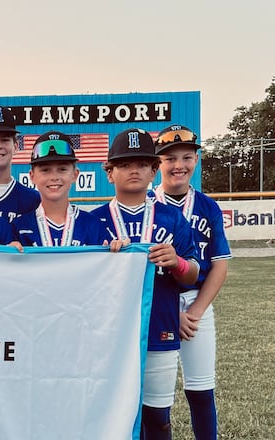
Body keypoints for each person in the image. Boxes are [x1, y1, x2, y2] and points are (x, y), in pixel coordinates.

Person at [92, 128, 199, 440]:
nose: (134, 170)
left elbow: (193, 271)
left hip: (160, 328)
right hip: (108, 334)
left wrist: (176, 261)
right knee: (114, 415)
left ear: (154, 170)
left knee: (158, 418)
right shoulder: (92, 220)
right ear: (109, 173)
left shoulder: (173, 218)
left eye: (141, 163)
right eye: (125, 164)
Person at [154, 124, 231, 440]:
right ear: (158, 163)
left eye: (186, 157)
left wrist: (196, 312)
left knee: (200, 389)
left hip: (195, 303)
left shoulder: (207, 206)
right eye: (170, 158)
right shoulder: (146, 203)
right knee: (155, 397)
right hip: (158, 304)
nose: (178, 165)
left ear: (196, 160)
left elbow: (220, 265)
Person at [10, 131, 115, 248]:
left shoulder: (93, 224)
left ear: (75, 174)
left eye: (62, 169)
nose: (54, 177)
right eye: (45, 170)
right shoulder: (19, 228)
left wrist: (120, 251)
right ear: (32, 176)